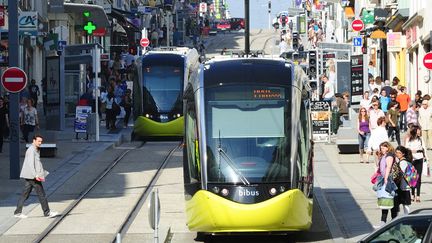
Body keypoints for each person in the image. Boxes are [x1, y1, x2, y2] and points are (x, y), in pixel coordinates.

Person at [14, 135, 58, 218]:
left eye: (41, 141)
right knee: (42, 194)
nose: (40, 143)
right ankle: (47, 212)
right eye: (38, 141)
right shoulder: (31, 150)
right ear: (34, 141)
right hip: (33, 176)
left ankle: (17, 212)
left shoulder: (35, 149)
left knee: (25, 194)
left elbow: (37, 163)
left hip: (31, 176)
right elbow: (30, 164)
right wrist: (36, 175)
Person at [375, 141, 397, 227]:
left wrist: (386, 178)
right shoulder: (384, 155)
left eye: (383, 148)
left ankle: (392, 221)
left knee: (389, 200)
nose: (382, 149)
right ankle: (384, 221)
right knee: (385, 200)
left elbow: (388, 167)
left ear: (388, 147)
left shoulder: (389, 155)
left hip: (389, 180)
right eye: (381, 148)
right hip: (385, 179)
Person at [405, 125, 428, 203]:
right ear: (414, 130)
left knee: (418, 178)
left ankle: (418, 196)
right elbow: (406, 149)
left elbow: (424, 148)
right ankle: (412, 194)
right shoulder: (409, 139)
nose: (419, 132)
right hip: (412, 160)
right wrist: (411, 151)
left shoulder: (421, 139)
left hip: (419, 158)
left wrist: (427, 159)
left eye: (420, 130)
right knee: (412, 178)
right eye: (418, 130)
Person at [393, 146, 413, 215]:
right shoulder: (402, 161)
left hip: (403, 186)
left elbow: (400, 174)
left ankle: (406, 217)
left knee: (404, 204)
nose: (397, 154)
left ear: (403, 154)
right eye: (396, 152)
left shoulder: (403, 162)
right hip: (404, 186)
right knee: (404, 204)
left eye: (399, 153)